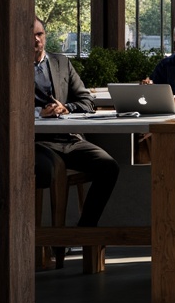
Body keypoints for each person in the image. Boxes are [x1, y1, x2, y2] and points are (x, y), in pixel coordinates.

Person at [33, 16, 120, 266]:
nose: (36, 40)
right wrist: (40, 112)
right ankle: (48, 246)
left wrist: (66, 107)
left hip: (70, 138)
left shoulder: (61, 62)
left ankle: (84, 229)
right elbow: (6, 107)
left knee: (108, 166)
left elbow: (87, 102)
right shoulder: (12, 65)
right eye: (30, 36)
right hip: (37, 143)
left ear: (45, 35)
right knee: (51, 171)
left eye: (39, 34)